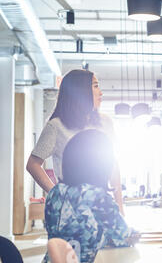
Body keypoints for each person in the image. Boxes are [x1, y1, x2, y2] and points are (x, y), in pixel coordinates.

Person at [37, 129, 139, 263]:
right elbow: (123, 237)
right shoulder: (98, 197)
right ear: (103, 166)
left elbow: (68, 233)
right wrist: (136, 234)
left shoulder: (55, 192)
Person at [26, 69, 125, 215]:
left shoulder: (105, 122)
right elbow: (33, 164)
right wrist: (56, 193)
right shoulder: (56, 125)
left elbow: (113, 166)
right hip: (69, 208)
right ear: (80, 90)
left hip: (101, 206)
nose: (101, 92)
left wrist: (119, 206)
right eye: (95, 86)